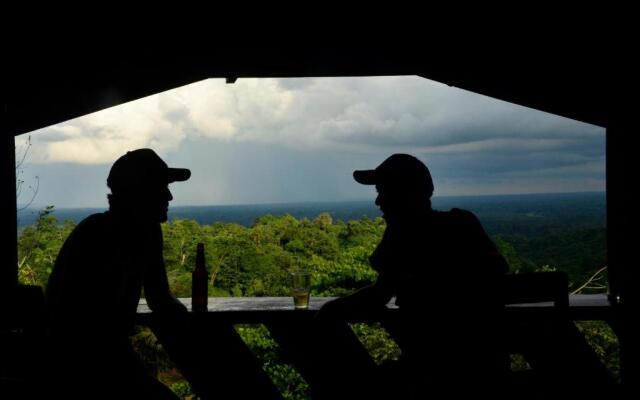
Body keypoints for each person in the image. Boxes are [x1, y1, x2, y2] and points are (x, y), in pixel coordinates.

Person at [45, 149, 282, 399]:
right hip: (76, 367)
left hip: (104, 360)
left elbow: (160, 298)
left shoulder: (146, 233)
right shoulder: (95, 237)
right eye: (161, 187)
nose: (169, 195)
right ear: (138, 192)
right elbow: (81, 327)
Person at [306, 154, 510, 399]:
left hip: (432, 374)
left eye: (384, 192)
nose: (378, 201)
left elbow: (380, 294)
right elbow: (498, 270)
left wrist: (330, 309)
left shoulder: (403, 235)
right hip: (488, 368)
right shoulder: (463, 222)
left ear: (405, 194)